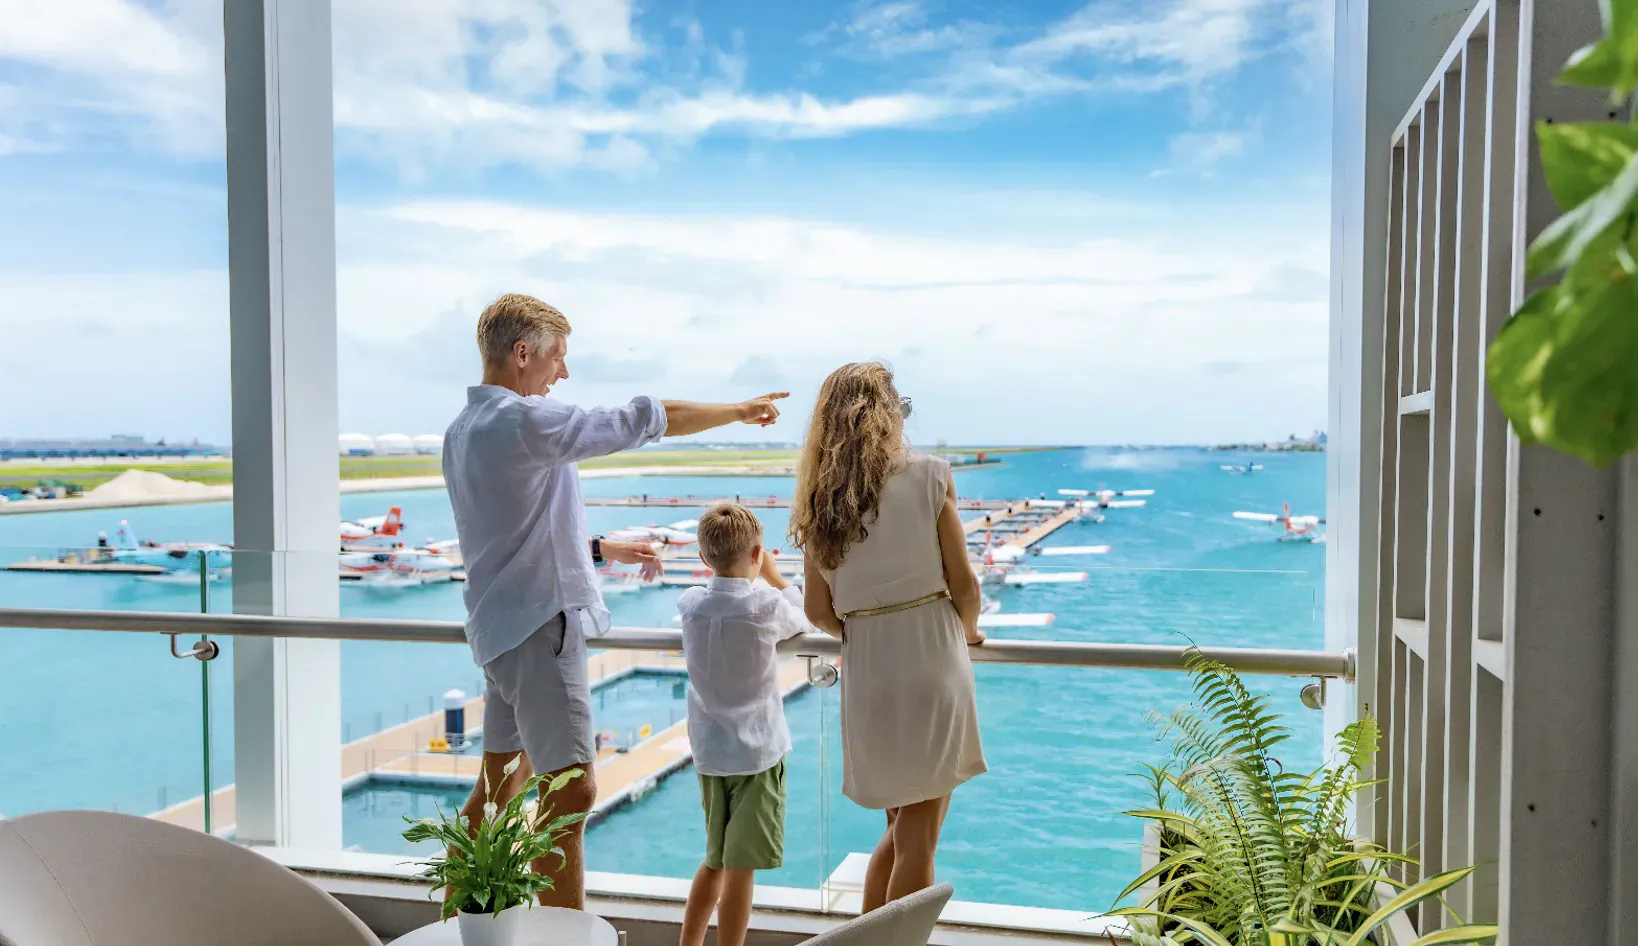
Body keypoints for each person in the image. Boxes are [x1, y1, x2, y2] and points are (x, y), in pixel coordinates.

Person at [442, 293, 787, 910]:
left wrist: (599, 548)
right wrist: (738, 410)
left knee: (496, 793)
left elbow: (511, 528)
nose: (563, 373)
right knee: (569, 795)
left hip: (498, 632)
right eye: (557, 358)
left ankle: (461, 922)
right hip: (540, 632)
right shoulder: (524, 421)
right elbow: (644, 419)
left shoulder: (464, 429)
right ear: (523, 354)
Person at [789, 361, 987, 912]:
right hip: (930, 656)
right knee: (918, 844)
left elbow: (816, 611)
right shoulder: (929, 477)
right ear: (887, 415)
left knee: (900, 833)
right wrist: (968, 632)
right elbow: (964, 584)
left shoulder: (819, 504)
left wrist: (865, 627)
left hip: (869, 667)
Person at [675, 504, 810, 946]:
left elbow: (703, 596)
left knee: (714, 859)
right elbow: (804, 616)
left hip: (711, 753)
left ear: (702, 557)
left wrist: (753, 568)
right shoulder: (765, 605)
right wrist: (774, 575)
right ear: (757, 553)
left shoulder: (692, 605)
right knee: (740, 867)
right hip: (756, 752)